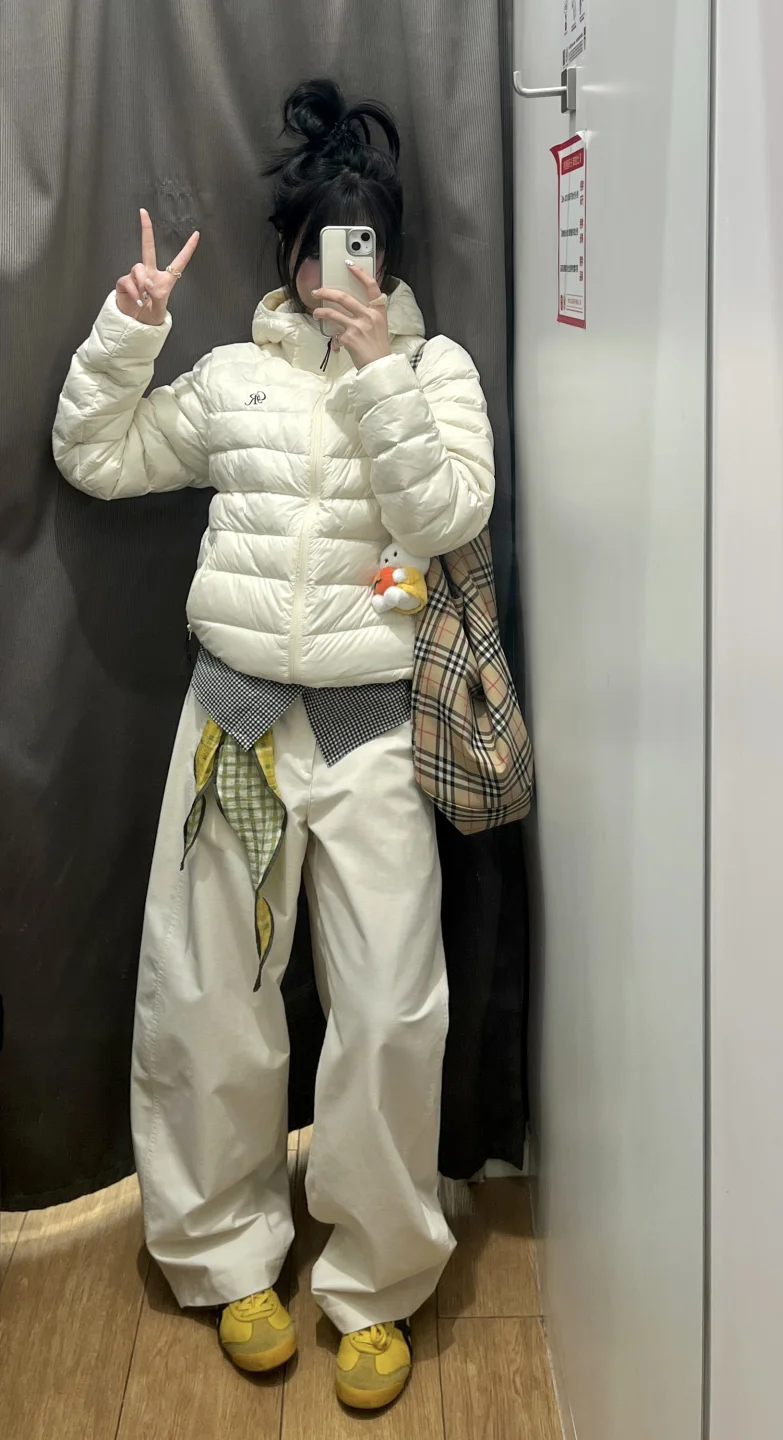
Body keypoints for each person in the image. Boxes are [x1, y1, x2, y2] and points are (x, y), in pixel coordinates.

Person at [51, 78, 495, 1411]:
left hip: (371, 730)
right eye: (315, 248)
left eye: (358, 246)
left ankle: (379, 1282)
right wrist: (129, 329)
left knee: (392, 1012)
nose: (332, 272)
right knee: (211, 1001)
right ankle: (228, 1257)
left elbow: (446, 518)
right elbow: (98, 457)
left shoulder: (434, 371)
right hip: (235, 722)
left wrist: (378, 379)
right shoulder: (233, 377)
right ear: (290, 254)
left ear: (388, 255)